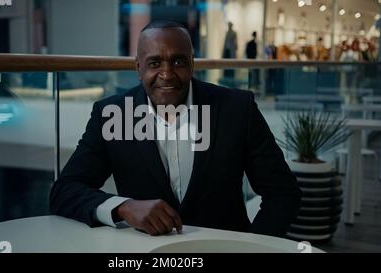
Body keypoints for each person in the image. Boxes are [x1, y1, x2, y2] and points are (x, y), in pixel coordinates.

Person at [50, 20, 301, 238]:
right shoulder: (111, 115)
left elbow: (282, 192)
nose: (167, 74)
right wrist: (123, 207)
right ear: (138, 68)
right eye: (155, 63)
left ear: (192, 64)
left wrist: (254, 248)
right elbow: (64, 190)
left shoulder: (238, 108)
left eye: (178, 61)